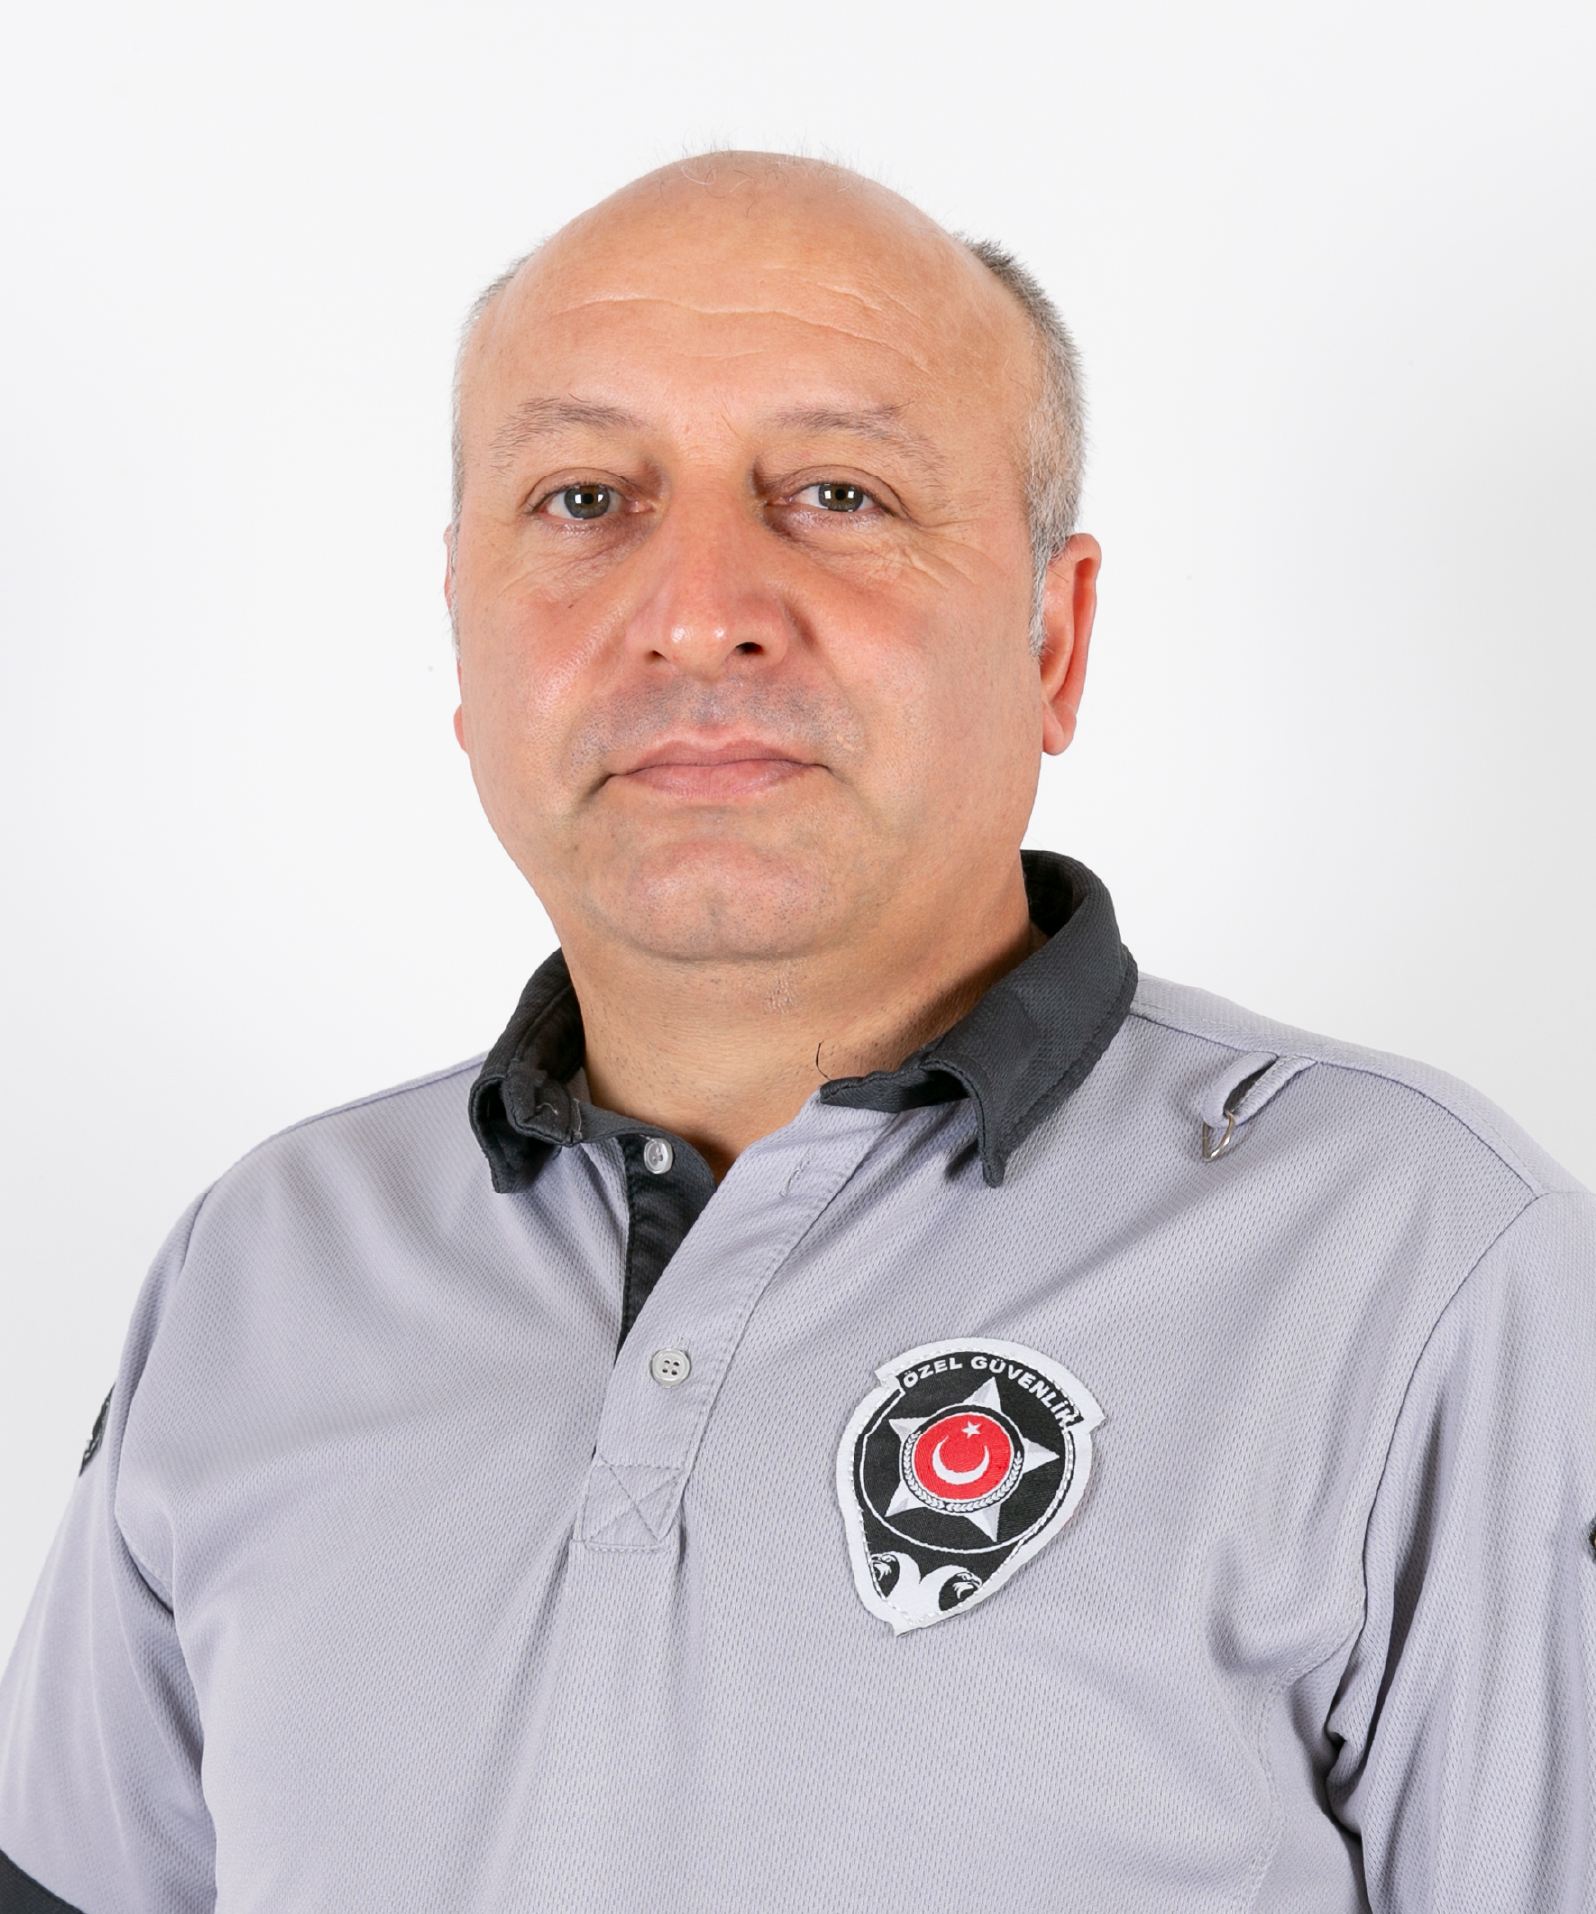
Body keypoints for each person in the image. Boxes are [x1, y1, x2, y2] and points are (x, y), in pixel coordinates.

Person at [0, 151, 1591, 1914]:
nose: (700, 610)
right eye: (585, 498)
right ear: (461, 635)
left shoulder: (1429, 1268)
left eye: (838, 491)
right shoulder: (257, 1266)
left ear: (1055, 642)